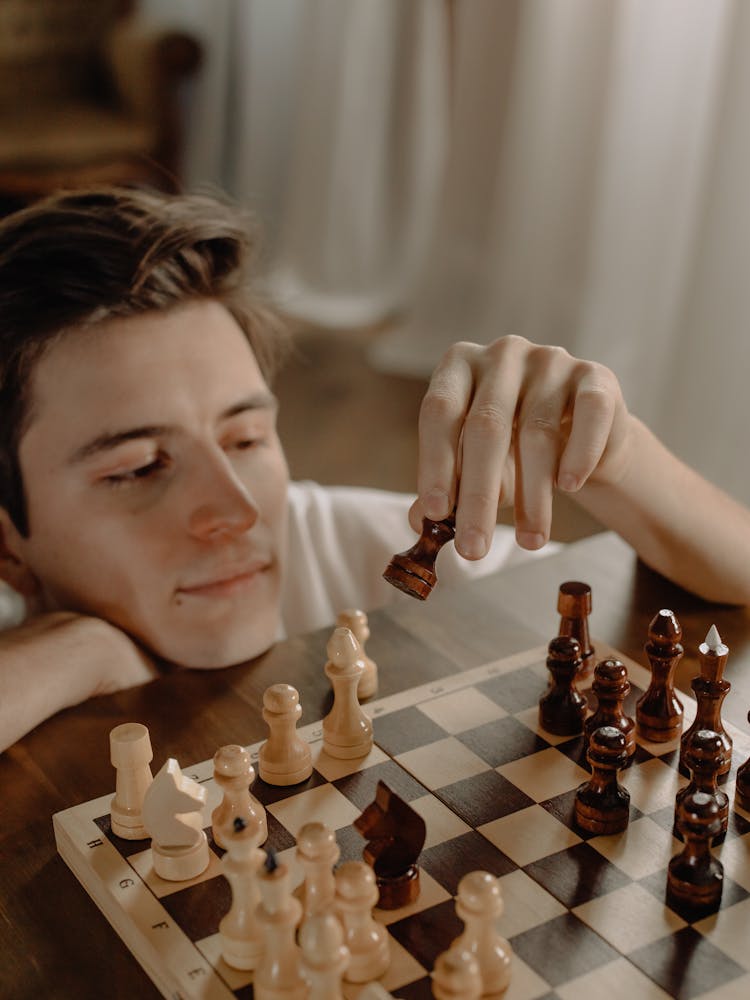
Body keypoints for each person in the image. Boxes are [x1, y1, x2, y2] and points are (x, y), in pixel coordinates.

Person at [1, 187, 749, 754]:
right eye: (137, 468)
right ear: (8, 545)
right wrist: (73, 656)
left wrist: (621, 455)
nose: (239, 509)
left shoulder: (361, 549)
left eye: (246, 438)